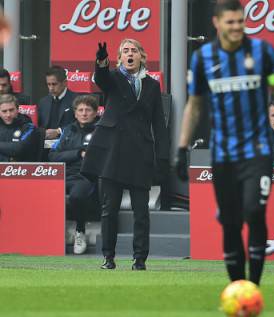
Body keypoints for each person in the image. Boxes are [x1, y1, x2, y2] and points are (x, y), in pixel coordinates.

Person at [175, 0, 274, 286]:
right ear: (217, 23)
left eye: (240, 22)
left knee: (254, 211)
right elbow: (194, 105)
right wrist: (181, 149)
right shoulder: (203, 58)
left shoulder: (264, 53)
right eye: (230, 22)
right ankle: (237, 285)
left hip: (258, 150)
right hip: (224, 155)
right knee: (230, 222)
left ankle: (253, 285)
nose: (236, 27)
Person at [81, 38, 170, 270]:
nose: (129, 54)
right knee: (109, 209)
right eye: (125, 51)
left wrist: (162, 157)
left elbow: (159, 124)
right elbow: (101, 78)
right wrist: (101, 61)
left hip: (140, 153)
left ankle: (139, 259)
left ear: (141, 56)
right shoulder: (112, 78)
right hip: (112, 151)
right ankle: (108, 258)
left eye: (133, 51)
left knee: (141, 211)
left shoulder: (151, 85)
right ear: (119, 57)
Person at [49, 95, 100, 255]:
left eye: (88, 110)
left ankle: (80, 232)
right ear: (75, 113)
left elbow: (100, 155)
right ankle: (50, 233)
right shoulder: (67, 131)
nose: (84, 113)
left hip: (87, 176)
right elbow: (53, 156)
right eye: (80, 110)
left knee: (77, 196)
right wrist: (78, 153)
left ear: (95, 112)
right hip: (65, 175)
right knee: (44, 192)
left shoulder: (101, 130)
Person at [38, 66, 78, 140]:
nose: (51, 88)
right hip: (45, 144)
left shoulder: (76, 100)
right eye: (48, 84)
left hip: (66, 142)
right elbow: (39, 125)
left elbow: (78, 125)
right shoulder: (43, 102)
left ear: (65, 83)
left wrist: (59, 131)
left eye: (54, 84)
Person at [0, 94, 39, 162]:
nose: (8, 114)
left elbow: (19, 148)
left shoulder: (28, 126)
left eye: (11, 110)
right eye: (4, 111)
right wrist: (8, 159)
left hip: (23, 169)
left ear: (18, 109)